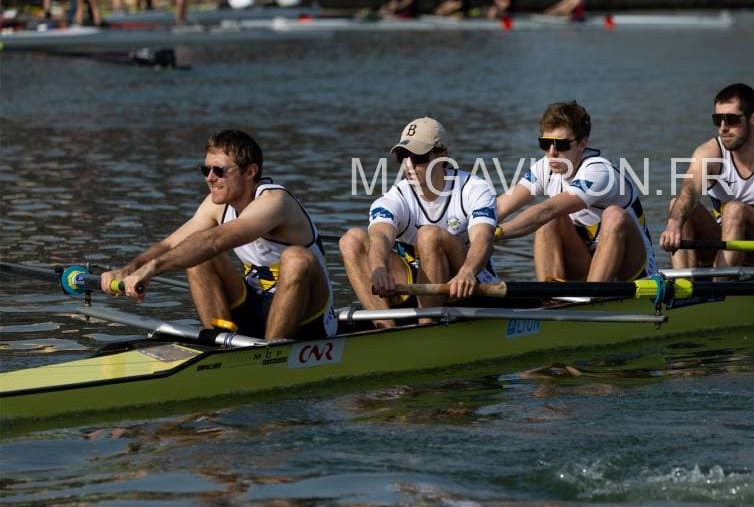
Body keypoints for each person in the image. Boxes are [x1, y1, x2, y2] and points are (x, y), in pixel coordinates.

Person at [99, 130, 337, 341]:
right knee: (197, 257)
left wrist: (152, 269)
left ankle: (272, 354)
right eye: (206, 169)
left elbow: (214, 241)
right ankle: (221, 342)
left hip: (307, 315)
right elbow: (171, 244)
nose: (210, 178)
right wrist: (130, 269)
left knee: (297, 258)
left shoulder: (275, 202)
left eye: (219, 171)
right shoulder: (216, 205)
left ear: (250, 171)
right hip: (256, 304)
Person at [339, 118, 499, 329]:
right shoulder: (396, 197)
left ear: (442, 156)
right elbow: (381, 236)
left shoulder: (474, 188)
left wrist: (467, 271)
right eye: (403, 157)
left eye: (418, 157)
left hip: (468, 282)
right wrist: (378, 269)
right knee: (351, 240)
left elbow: (483, 238)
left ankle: (427, 326)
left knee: (429, 235)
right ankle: (385, 328)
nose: (409, 165)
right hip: (416, 283)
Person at [496, 101, 656, 282]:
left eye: (561, 145)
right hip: (587, 265)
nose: (551, 152)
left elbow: (546, 210)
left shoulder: (599, 172)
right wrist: (476, 226)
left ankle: (592, 295)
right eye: (545, 143)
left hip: (632, 271)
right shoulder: (544, 167)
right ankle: (552, 295)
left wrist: (496, 233)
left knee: (613, 215)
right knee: (550, 221)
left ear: (582, 144)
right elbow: (501, 206)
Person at [659, 83, 754, 270]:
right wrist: (674, 223)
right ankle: (683, 283)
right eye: (718, 120)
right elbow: (689, 191)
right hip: (724, 244)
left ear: (753, 119)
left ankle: (720, 282)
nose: (723, 128)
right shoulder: (709, 152)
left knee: (734, 210)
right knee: (678, 206)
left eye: (731, 120)